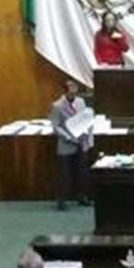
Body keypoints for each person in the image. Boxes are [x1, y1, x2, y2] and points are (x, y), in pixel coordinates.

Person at [50, 80, 93, 210]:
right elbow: (56, 127)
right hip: (66, 143)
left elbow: (85, 119)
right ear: (65, 90)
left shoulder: (81, 102)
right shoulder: (57, 105)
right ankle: (62, 200)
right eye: (71, 87)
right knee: (65, 174)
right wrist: (69, 137)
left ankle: (83, 197)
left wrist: (86, 133)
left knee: (82, 172)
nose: (74, 89)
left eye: (75, 86)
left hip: (81, 141)